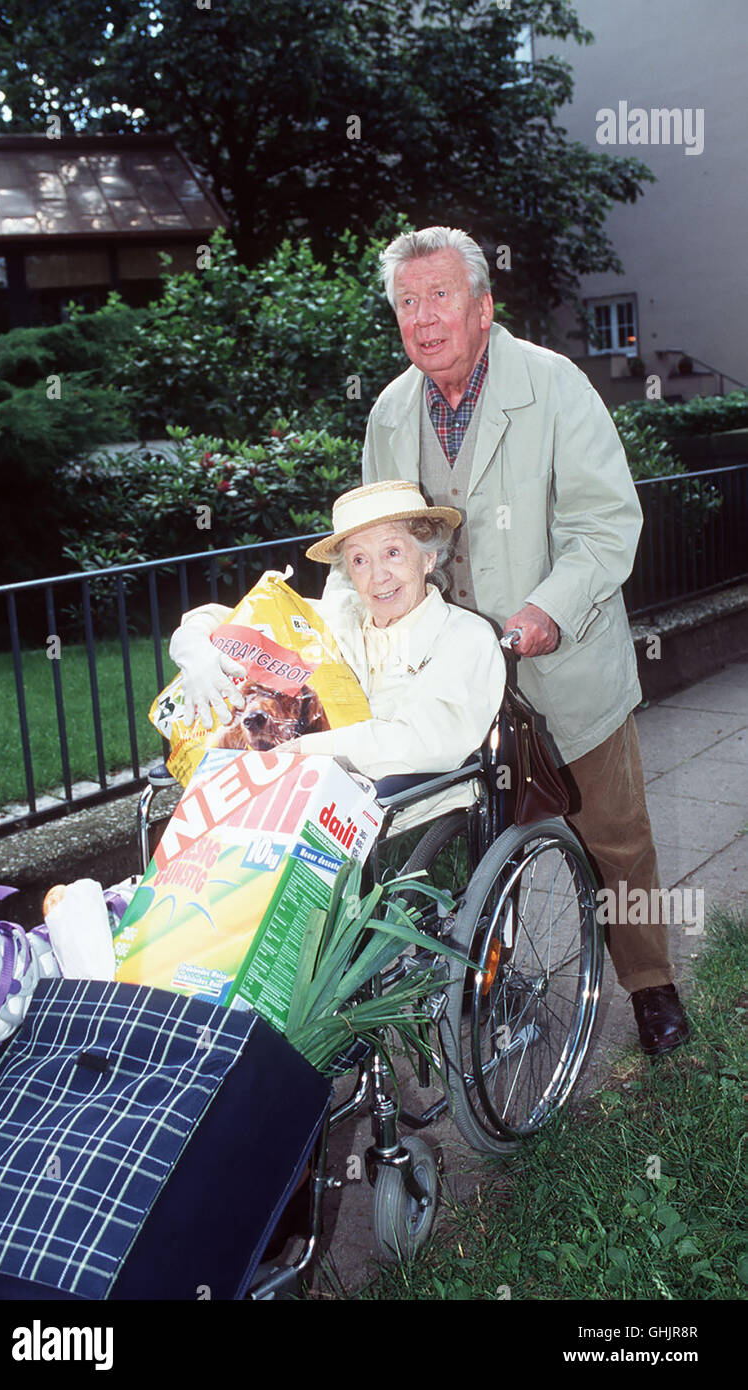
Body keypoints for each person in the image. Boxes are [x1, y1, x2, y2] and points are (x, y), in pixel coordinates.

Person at [352, 224, 689, 1058]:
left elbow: (607, 523)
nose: (424, 319)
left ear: (482, 306)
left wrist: (547, 608)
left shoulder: (555, 384)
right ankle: (491, 990)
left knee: (616, 834)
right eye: (407, 303)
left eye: (440, 297)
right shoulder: (393, 411)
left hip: (564, 660)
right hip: (449, 681)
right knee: (458, 848)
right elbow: (375, 544)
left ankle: (650, 987)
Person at [169, 479, 505, 799]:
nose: (378, 576)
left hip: (408, 806)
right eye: (360, 560)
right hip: (307, 794)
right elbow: (230, 617)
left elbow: (420, 742)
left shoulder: (467, 638)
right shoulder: (339, 618)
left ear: (429, 557)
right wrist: (193, 648)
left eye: (393, 552)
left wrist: (309, 748)